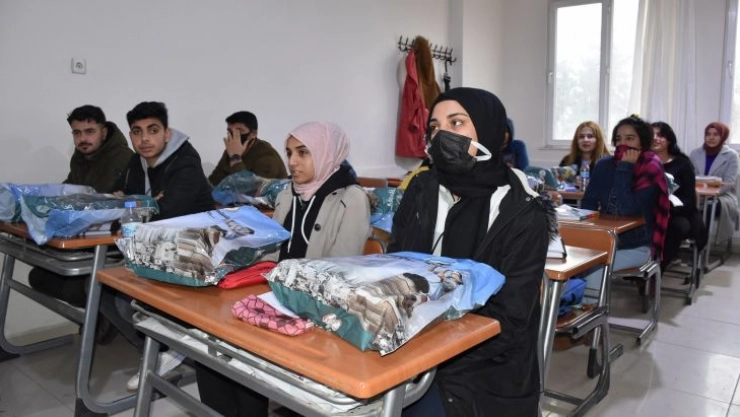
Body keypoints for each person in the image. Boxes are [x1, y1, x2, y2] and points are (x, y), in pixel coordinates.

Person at [389, 87, 557, 417]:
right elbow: (394, 267)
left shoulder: (523, 211)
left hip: (484, 365)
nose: (442, 136)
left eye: (456, 123)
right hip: (410, 345)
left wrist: (427, 355)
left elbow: (508, 319)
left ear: (490, 130)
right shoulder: (421, 189)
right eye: (434, 127)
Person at [194, 121, 371, 417]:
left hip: (317, 307)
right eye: (289, 153)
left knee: (241, 352)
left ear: (326, 152)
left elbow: (340, 273)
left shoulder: (351, 199)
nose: (292, 162)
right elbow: (272, 251)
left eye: (303, 152)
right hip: (276, 294)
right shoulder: (288, 194)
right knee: (208, 347)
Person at [105, 101, 216, 390]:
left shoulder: (185, 162)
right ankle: (165, 350)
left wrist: (142, 207)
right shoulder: (137, 162)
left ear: (167, 133)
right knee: (107, 289)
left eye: (152, 130)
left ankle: (173, 350)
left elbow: (168, 212)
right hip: (155, 249)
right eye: (137, 132)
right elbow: (118, 197)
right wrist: (147, 205)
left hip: (196, 252)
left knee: (126, 297)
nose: (144, 139)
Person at [28, 105, 133, 343]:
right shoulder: (81, 157)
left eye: (89, 131)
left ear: (103, 132)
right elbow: (69, 191)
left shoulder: (122, 159)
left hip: (113, 247)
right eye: (77, 133)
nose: (83, 138)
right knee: (39, 277)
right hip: (85, 241)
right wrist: (40, 204)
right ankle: (103, 314)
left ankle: (106, 313)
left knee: (74, 285)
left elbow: (97, 203)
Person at [580, 115, 670, 301]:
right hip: (602, 239)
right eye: (618, 139)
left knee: (593, 272)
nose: (623, 144)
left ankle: (588, 316)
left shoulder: (651, 168)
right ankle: (566, 311)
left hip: (636, 246)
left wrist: (625, 168)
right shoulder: (604, 164)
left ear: (642, 142)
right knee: (569, 266)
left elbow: (628, 209)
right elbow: (588, 202)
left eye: (630, 138)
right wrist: (590, 233)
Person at [651, 122, 706, 271]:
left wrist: (669, 208)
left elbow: (689, 198)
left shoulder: (682, 164)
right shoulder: (643, 162)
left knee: (675, 228)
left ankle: (657, 270)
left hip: (677, 213)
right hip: (649, 210)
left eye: (660, 135)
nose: (655, 138)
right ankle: (637, 267)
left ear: (669, 139)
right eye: (651, 135)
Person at [689, 121, 739, 246]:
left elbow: (729, 183)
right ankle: (687, 239)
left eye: (715, 134)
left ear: (723, 136)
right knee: (681, 205)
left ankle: (700, 245)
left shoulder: (732, 155)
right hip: (696, 194)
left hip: (722, 197)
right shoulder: (695, 153)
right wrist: (698, 193)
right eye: (708, 134)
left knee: (708, 208)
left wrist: (710, 193)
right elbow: (690, 177)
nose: (711, 137)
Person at [208, 111, 288, 186]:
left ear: (253, 134)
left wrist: (235, 158)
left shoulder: (267, 156)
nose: (234, 136)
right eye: (230, 131)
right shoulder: (230, 151)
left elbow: (253, 190)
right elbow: (213, 182)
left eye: (239, 131)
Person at [559, 121, 610, 189]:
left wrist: (593, 184)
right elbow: (558, 185)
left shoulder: (608, 162)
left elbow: (614, 187)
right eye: (581, 137)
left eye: (590, 136)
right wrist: (571, 182)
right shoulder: (567, 160)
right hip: (570, 196)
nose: (585, 140)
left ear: (598, 140)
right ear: (576, 141)